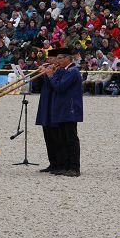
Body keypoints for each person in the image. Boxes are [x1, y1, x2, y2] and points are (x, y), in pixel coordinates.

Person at [35, 47, 83, 177]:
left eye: (60, 58)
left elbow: (59, 87)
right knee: (63, 139)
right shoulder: (65, 70)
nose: (58, 60)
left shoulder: (72, 71)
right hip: (62, 109)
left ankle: (74, 167)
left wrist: (50, 74)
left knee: (71, 139)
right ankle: (65, 165)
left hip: (70, 109)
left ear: (68, 58)